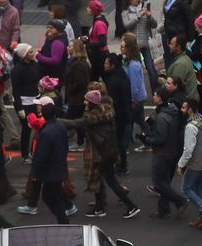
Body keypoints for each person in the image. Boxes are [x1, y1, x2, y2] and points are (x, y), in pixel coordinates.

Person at [61, 89, 139, 218]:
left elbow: (76, 122)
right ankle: (100, 207)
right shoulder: (106, 112)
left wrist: (58, 121)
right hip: (109, 151)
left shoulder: (92, 117)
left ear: (92, 103)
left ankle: (130, 205)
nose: (84, 102)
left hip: (102, 153)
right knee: (103, 180)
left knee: (109, 181)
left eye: (87, 100)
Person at [138, 88, 188, 218]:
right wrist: (152, 123)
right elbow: (167, 128)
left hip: (163, 153)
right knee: (165, 181)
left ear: (160, 98)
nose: (153, 96)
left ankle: (179, 201)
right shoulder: (172, 112)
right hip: (173, 151)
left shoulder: (161, 116)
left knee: (159, 183)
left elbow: (161, 138)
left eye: (155, 95)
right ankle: (163, 208)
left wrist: (146, 140)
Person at [29, 102, 71, 223]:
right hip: (60, 166)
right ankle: (64, 215)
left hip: (50, 170)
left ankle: (63, 219)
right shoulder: (61, 126)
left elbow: (41, 154)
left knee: (48, 196)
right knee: (56, 194)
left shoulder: (46, 132)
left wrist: (35, 173)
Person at [176, 97, 202, 225]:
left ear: (190, 109)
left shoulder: (190, 126)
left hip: (195, 163)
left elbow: (188, 149)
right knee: (199, 188)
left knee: (186, 189)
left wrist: (180, 165)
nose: (182, 110)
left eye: (184, 107)